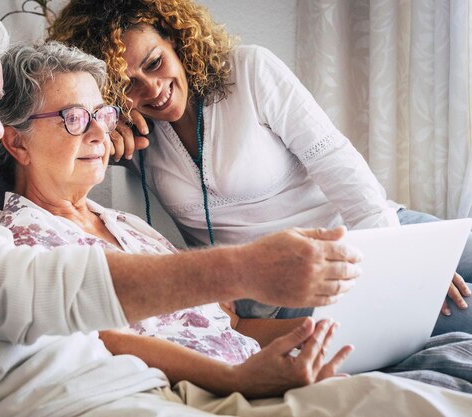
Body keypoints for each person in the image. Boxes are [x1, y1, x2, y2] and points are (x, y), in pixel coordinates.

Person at [0, 1, 468, 417]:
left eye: (104, 114)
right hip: (162, 393)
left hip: (229, 349)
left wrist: (331, 340)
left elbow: (222, 320)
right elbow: (34, 294)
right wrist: (244, 276)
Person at [48, 0, 472, 327]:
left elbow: (339, 165)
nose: (153, 89)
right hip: (291, 281)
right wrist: (107, 130)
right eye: (128, 85)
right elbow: (67, 176)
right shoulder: (132, 137)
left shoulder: (248, 71)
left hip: (373, 228)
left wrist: (399, 258)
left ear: (175, 37)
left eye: (154, 63)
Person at [0, 41, 354, 398]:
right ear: (18, 143)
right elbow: (100, 338)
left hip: (255, 375)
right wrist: (237, 379)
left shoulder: (126, 225)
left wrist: (333, 334)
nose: (100, 132)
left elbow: (233, 324)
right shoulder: (24, 243)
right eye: (74, 118)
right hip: (211, 394)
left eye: (101, 114)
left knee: (406, 361)